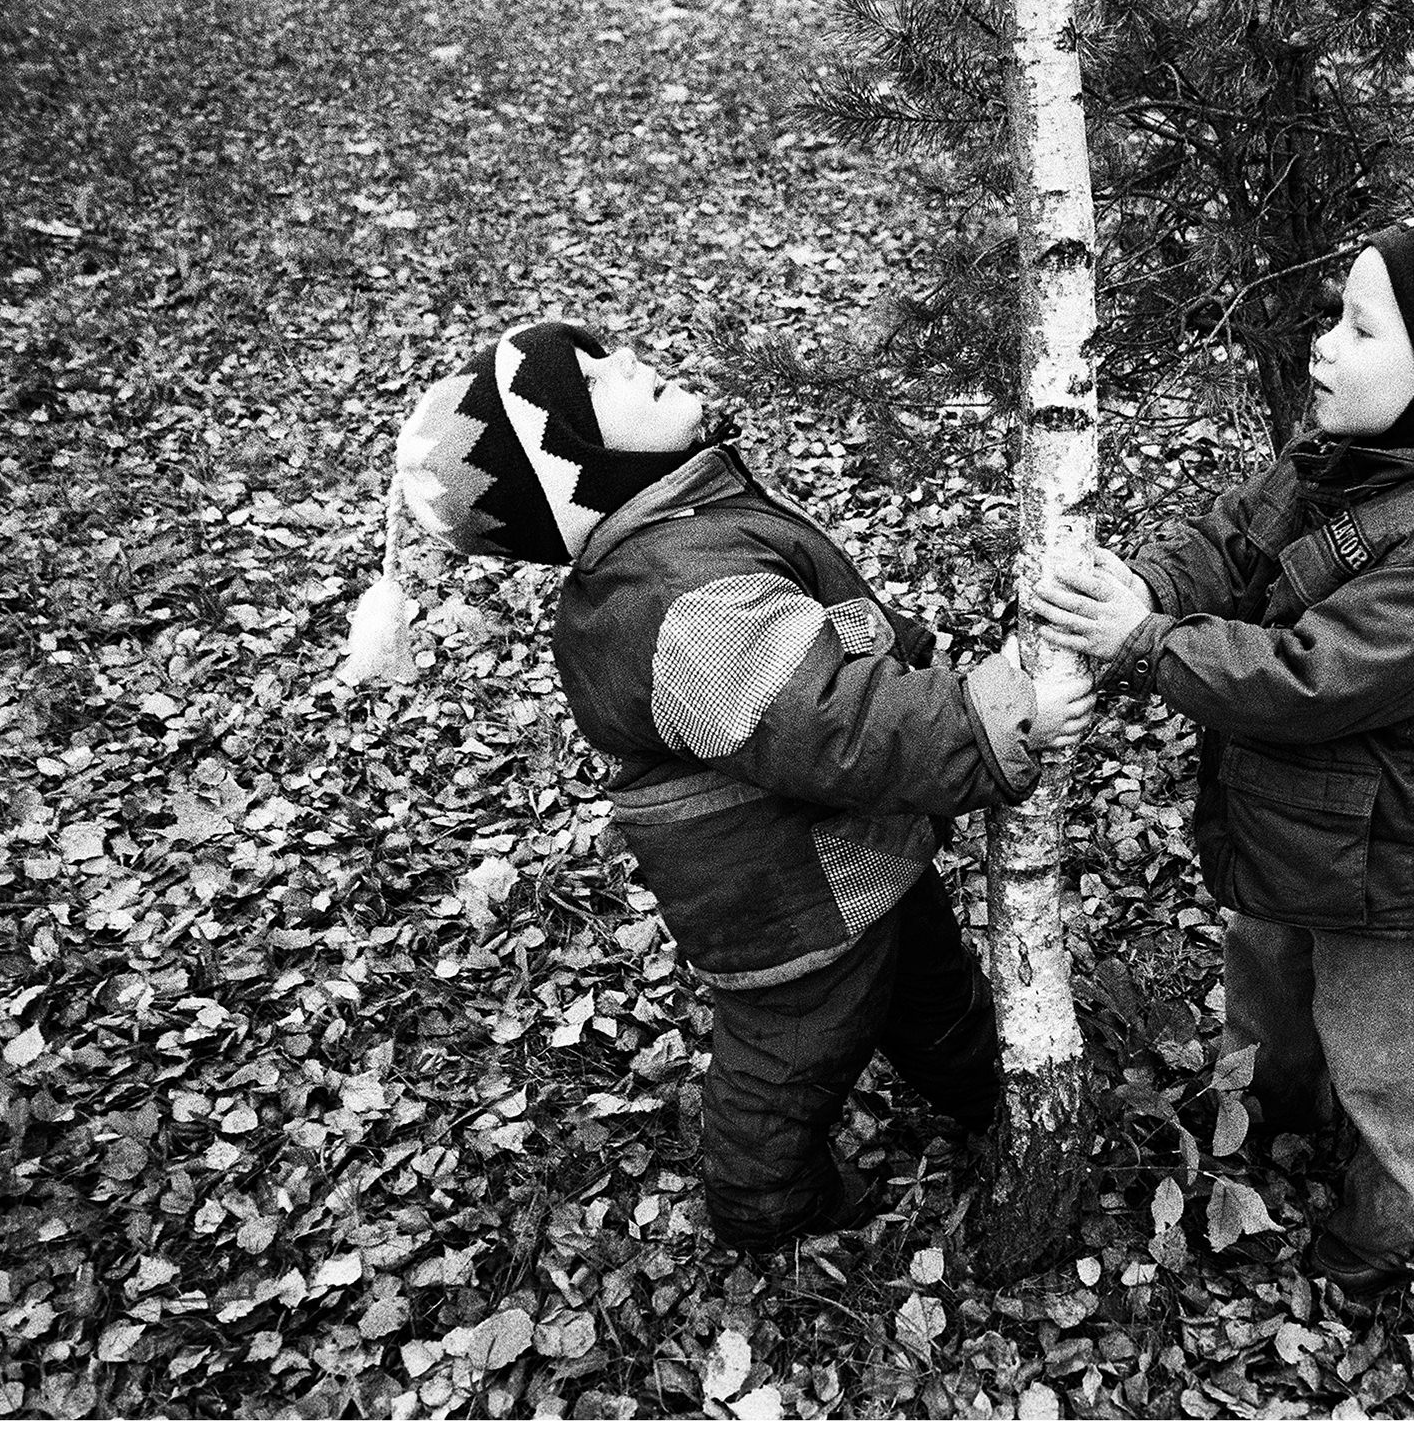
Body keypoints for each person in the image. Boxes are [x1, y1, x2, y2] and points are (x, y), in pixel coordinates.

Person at [358, 320, 1094, 1251]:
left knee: (929, 986)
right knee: (791, 1053)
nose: (626, 356)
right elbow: (828, 721)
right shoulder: (675, 598)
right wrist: (993, 719)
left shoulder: (686, 526)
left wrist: (920, 660)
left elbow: (825, 629)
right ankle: (766, 1204)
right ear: (573, 463)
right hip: (788, 889)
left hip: (853, 854)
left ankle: (992, 1093)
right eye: (592, 380)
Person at [1029, 216, 1414, 1300]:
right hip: (1291, 824)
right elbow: (1235, 540)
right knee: (1269, 984)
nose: (1324, 344)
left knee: (1389, 1053)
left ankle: (1404, 1209)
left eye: (1360, 329)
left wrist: (1142, 646)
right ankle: (1271, 1107)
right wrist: (1150, 588)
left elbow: (1308, 677)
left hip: (1387, 860)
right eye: (1336, 314)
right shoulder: (1332, 455)